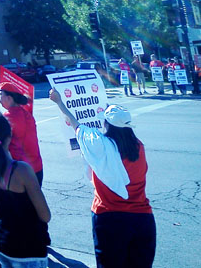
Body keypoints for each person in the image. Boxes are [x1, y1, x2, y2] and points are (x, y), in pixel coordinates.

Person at [50, 89, 156, 268]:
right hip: (143, 219)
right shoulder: (139, 147)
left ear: (107, 124)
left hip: (109, 218)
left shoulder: (101, 146)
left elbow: (76, 125)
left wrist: (60, 102)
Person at [0, 111, 50, 268]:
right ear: (9, 134)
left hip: (0, 242)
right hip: (29, 246)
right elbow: (45, 216)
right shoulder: (22, 170)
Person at [0, 82, 43, 186]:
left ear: (9, 98)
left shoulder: (6, 118)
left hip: (20, 170)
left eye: (0, 95)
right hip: (37, 168)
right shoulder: (27, 114)